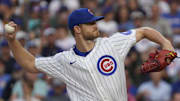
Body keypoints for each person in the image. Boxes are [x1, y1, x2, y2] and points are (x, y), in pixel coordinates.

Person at [5, 8, 174, 101]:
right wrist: (13, 42)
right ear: (77, 29)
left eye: (95, 21)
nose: (96, 25)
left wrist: (166, 44)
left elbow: (144, 31)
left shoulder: (111, 44)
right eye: (90, 23)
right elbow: (29, 64)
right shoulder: (64, 60)